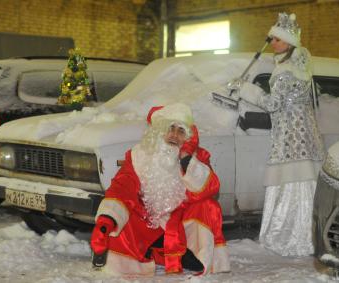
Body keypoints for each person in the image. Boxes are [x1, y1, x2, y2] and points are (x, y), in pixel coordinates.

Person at [90, 103, 231, 275]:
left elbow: (211, 188)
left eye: (181, 131)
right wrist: (107, 219)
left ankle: (195, 253)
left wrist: (187, 161)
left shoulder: (198, 157)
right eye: (170, 128)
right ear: (158, 132)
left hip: (180, 224)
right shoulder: (139, 156)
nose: (174, 135)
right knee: (122, 214)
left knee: (208, 206)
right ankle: (159, 254)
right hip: (148, 223)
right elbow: (122, 186)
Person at [233, 12, 325, 257]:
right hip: (305, 133)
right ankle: (307, 236)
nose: (272, 42)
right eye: (272, 38)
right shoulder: (300, 66)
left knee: (290, 180)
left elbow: (273, 104)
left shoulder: (285, 71)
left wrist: (247, 90)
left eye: (277, 39)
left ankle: (289, 238)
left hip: (291, 136)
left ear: (288, 43)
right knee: (302, 180)